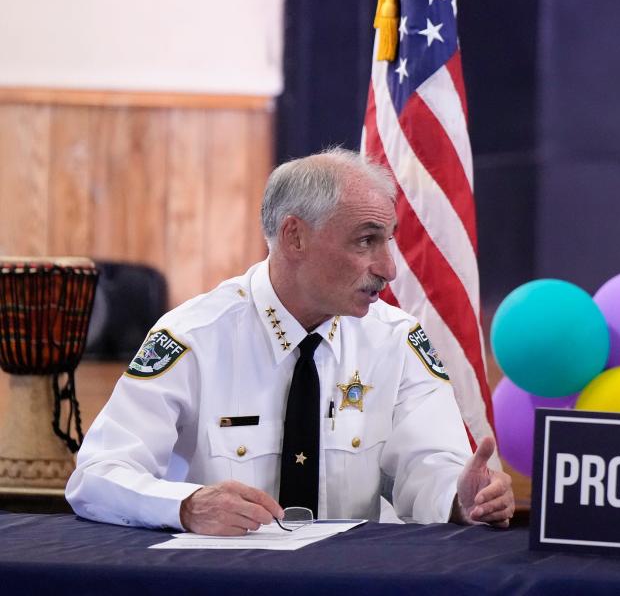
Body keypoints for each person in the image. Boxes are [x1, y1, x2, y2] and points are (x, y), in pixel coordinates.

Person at [66, 148, 513, 535]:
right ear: (294, 236)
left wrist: (461, 496)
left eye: (388, 240)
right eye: (366, 241)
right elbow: (97, 476)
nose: (388, 268)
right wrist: (185, 506)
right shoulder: (193, 337)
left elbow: (428, 468)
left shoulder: (396, 341)